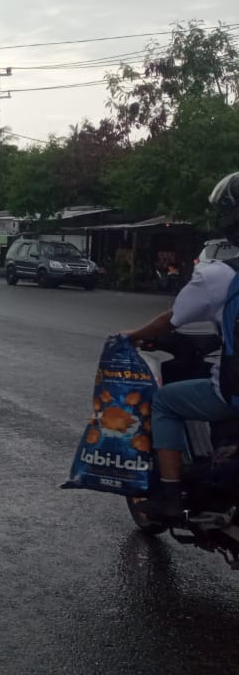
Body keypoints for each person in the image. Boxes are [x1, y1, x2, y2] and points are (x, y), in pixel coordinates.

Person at [123, 171, 239, 522]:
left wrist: (130, 335)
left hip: (232, 394)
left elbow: (171, 320)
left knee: (164, 401)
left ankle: (171, 497)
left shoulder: (220, 275)